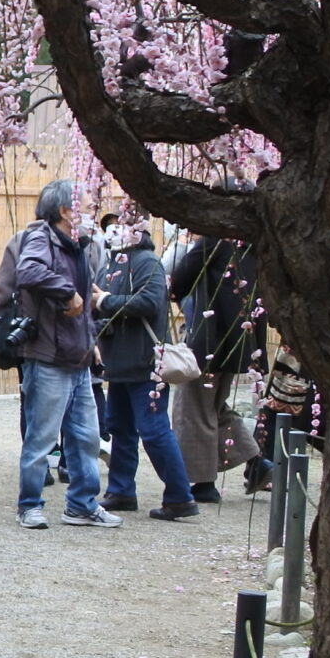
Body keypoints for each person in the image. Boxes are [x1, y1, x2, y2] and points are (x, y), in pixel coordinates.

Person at [9, 179, 120, 529]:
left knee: (87, 438)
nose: (90, 211)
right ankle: (29, 505)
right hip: (48, 356)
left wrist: (91, 341)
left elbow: (85, 305)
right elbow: (28, 271)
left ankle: (82, 505)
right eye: (85, 206)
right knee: (42, 437)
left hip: (79, 357)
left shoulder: (79, 245)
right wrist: (67, 292)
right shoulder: (41, 238)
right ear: (65, 210)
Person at [94, 214, 198, 519]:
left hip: (145, 362)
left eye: (121, 224)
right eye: (110, 226)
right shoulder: (110, 264)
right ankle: (121, 491)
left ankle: (180, 497)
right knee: (119, 428)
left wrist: (104, 301)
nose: (114, 230)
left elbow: (150, 301)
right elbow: (99, 304)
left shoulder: (147, 262)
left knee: (154, 431)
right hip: (118, 363)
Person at [168, 226, 265, 502]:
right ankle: (257, 462)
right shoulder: (253, 241)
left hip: (210, 340)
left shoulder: (214, 239)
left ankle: (203, 483)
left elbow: (180, 278)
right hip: (240, 339)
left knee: (194, 408)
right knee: (215, 406)